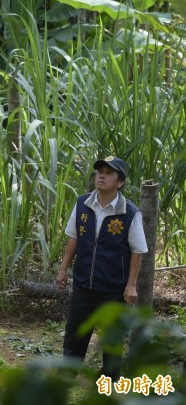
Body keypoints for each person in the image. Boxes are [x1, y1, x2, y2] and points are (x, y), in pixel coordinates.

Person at [55, 156, 148, 381]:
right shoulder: (82, 204)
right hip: (83, 281)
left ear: (120, 182)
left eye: (109, 173)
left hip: (113, 287)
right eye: (99, 172)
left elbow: (137, 250)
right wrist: (63, 269)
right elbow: (73, 239)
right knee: (76, 330)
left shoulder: (130, 213)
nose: (102, 176)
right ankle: (68, 372)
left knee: (112, 335)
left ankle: (109, 378)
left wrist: (131, 285)